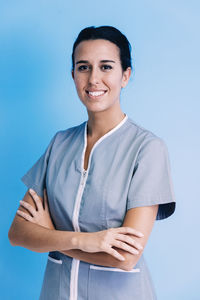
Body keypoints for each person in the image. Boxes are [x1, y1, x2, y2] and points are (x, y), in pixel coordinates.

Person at [8, 25, 176, 300]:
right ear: (73, 75)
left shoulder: (147, 149)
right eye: (84, 67)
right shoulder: (59, 144)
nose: (94, 78)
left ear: (125, 75)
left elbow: (125, 256)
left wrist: (50, 236)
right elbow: (18, 233)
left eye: (106, 67)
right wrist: (84, 241)